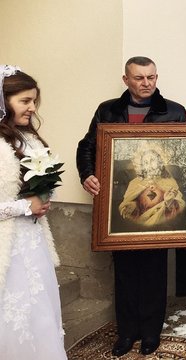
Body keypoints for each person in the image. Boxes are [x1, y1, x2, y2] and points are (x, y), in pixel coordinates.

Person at [76, 56, 186, 356]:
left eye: (151, 77)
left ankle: (151, 333)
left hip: (162, 214)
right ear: (126, 79)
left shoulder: (175, 112)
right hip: (118, 209)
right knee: (125, 273)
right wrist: (87, 174)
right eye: (139, 78)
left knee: (154, 272)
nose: (146, 83)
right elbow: (87, 146)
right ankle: (126, 333)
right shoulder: (108, 109)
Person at [0, 66, 65, 359]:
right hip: (7, 248)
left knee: (41, 310)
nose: (32, 107)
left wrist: (44, 195)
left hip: (34, 241)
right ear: (4, 100)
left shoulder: (30, 138)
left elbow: (41, 181)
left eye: (34, 101)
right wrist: (26, 206)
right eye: (25, 101)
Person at [118, 144, 186, 226]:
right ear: (142, 166)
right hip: (141, 224)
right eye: (146, 162)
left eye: (152, 160)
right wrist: (133, 205)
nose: (149, 165)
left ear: (159, 163)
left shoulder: (169, 181)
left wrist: (169, 203)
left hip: (164, 223)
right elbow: (128, 202)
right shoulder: (135, 183)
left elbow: (180, 206)